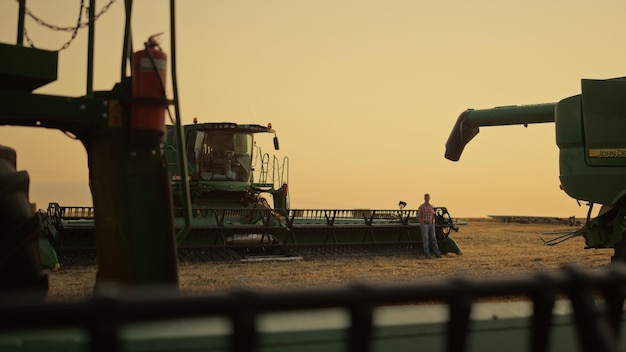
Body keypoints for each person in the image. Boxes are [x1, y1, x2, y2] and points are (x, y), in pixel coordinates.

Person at [417, 193, 442, 259]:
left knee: (433, 239)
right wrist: (422, 223)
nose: (426, 199)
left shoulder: (431, 207)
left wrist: (433, 222)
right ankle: (427, 254)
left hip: (431, 224)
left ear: (429, 198)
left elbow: (433, 215)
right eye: (425, 198)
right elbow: (418, 216)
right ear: (424, 198)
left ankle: (437, 253)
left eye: (427, 198)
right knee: (426, 240)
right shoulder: (421, 207)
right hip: (424, 224)